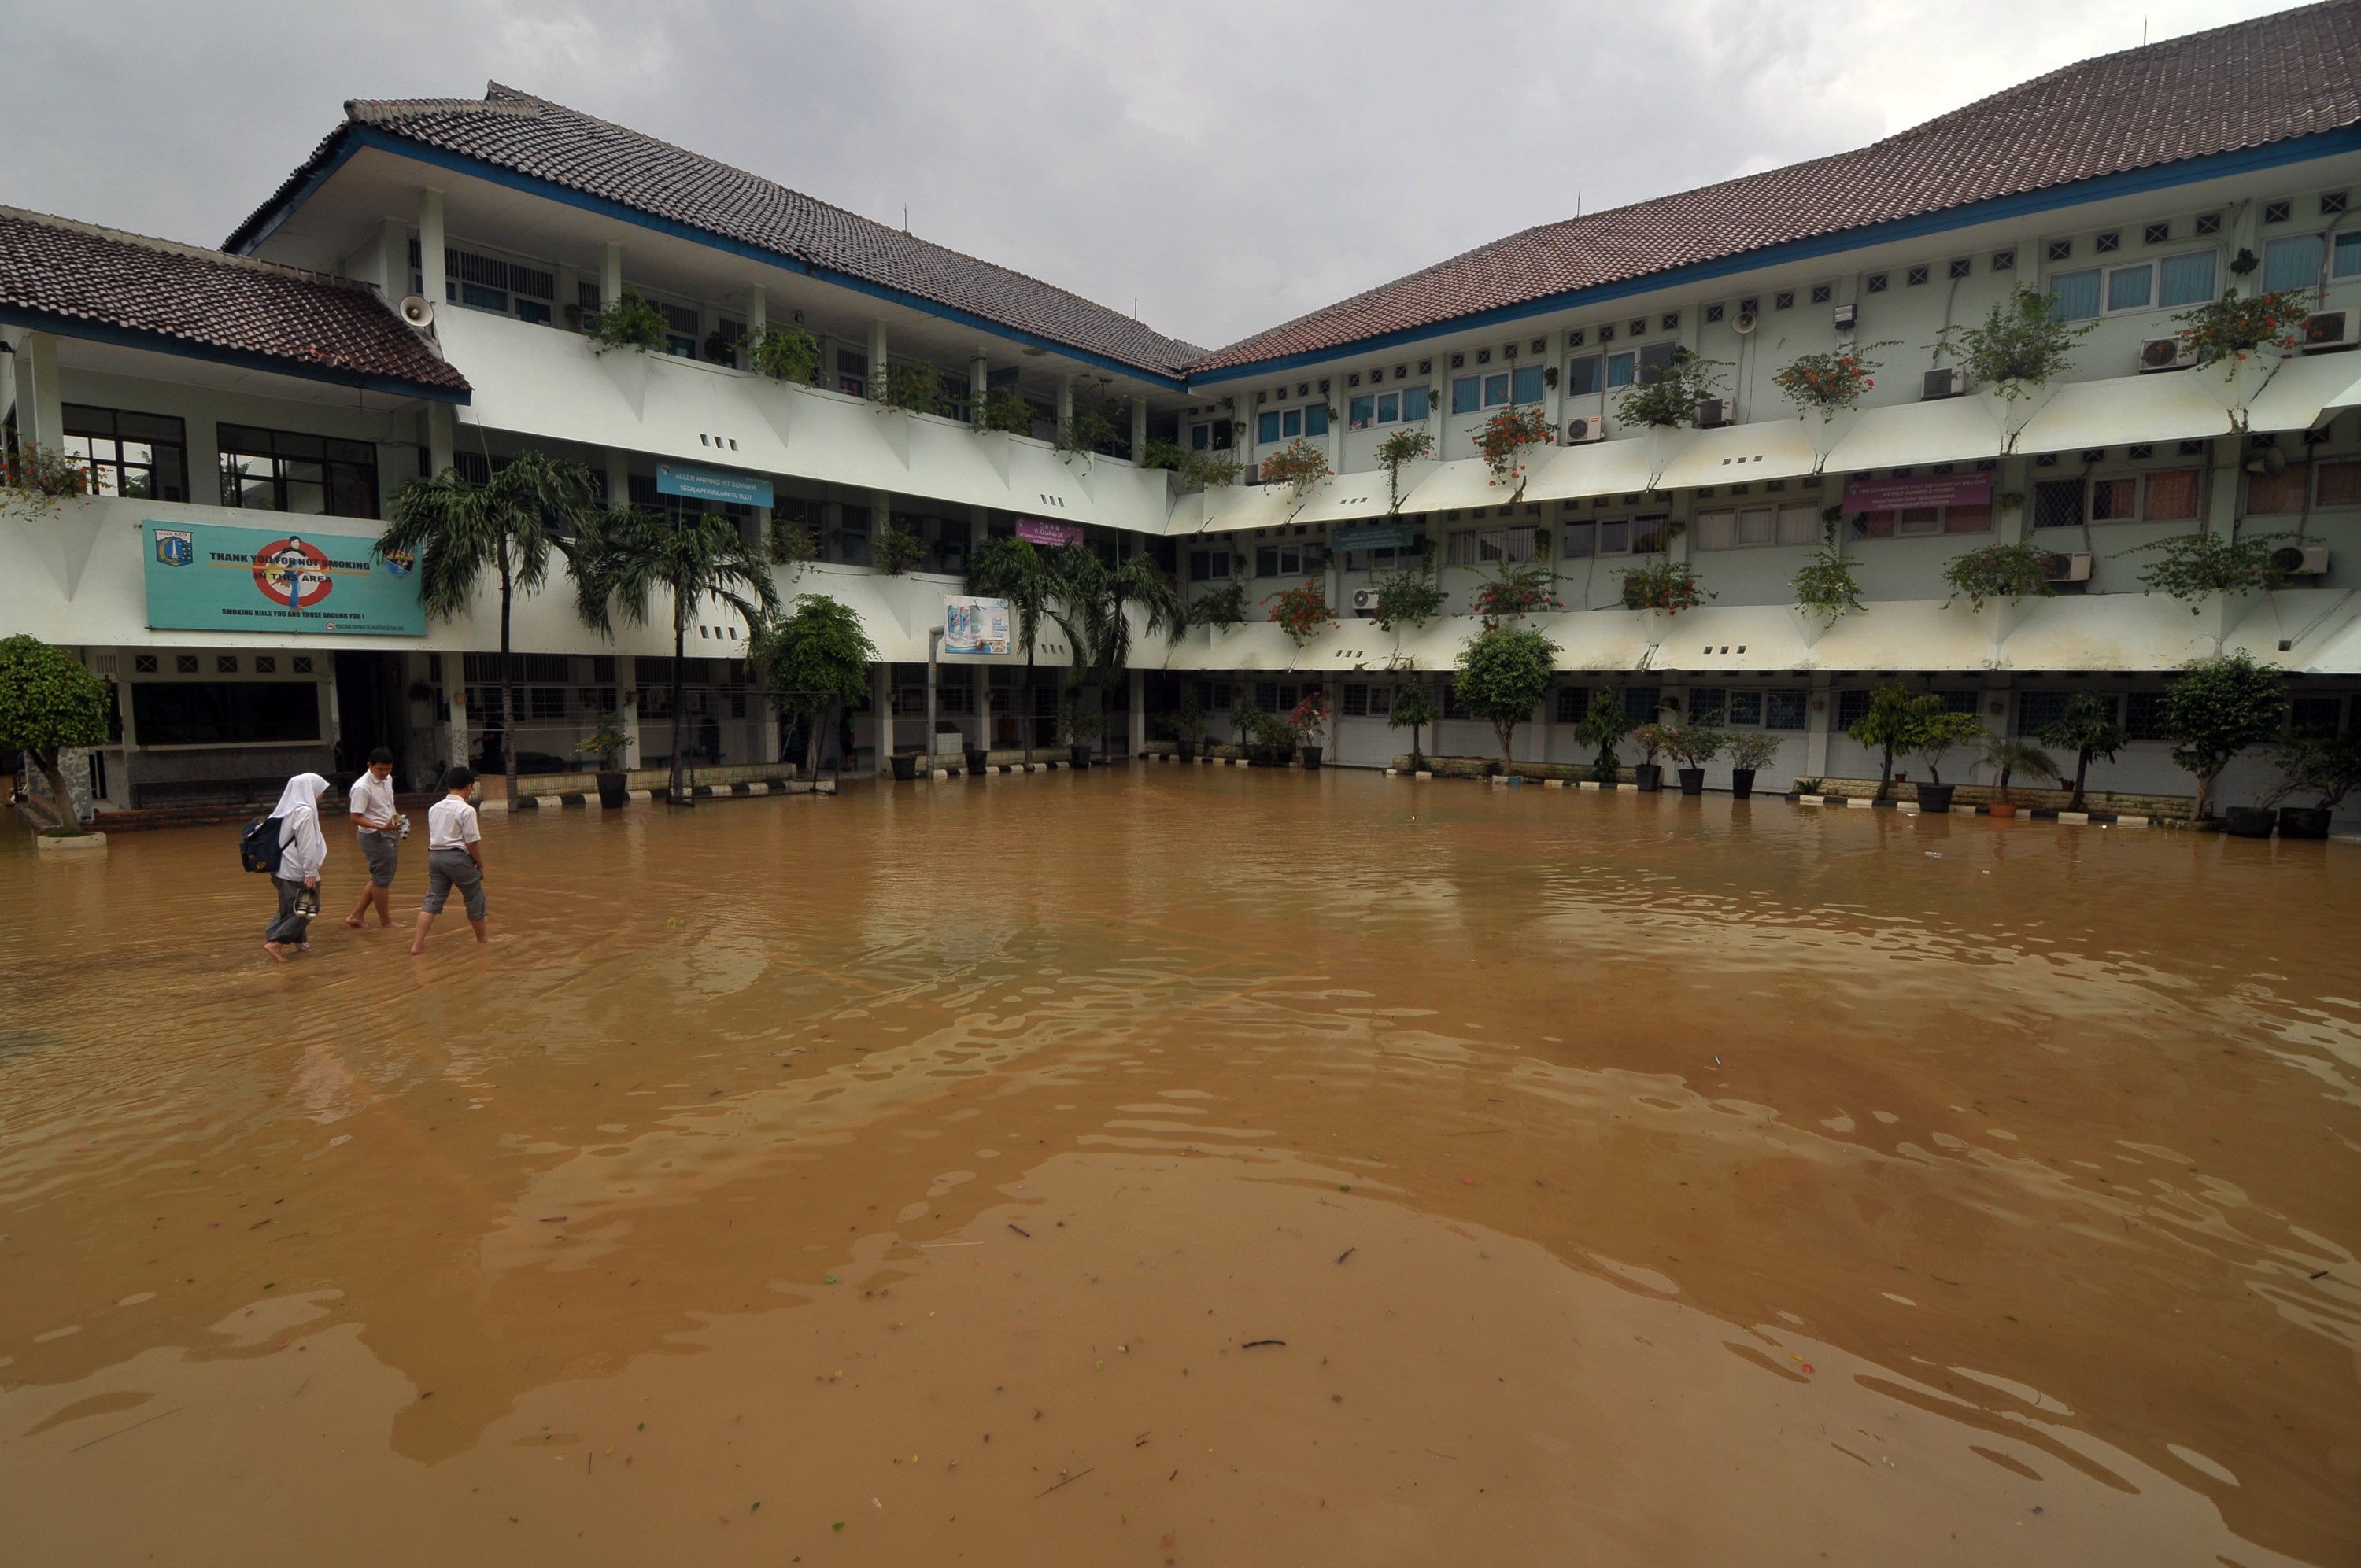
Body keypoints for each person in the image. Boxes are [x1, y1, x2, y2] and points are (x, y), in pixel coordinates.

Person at [411, 766, 488, 954]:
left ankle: (418, 945)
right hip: (458, 858)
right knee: (474, 897)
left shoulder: (434, 808)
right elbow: (472, 844)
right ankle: (483, 939)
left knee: (433, 901)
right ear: (470, 786)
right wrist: (480, 864)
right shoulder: (466, 810)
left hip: (436, 858)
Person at [263, 771, 329, 962]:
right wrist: (309, 872)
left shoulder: (285, 809)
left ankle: (302, 945)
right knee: (309, 907)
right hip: (296, 870)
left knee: (291, 908)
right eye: (320, 792)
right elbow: (306, 844)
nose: (321, 796)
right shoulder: (304, 812)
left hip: (281, 869)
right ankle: (275, 943)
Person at [344, 747, 403, 928]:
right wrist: (381, 827)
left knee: (381, 877)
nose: (385, 774)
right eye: (381, 770)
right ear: (370, 766)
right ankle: (386, 922)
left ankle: (357, 916)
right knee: (382, 879)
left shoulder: (388, 780)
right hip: (375, 835)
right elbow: (355, 818)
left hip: (389, 830)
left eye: (388, 769)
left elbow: (387, 805)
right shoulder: (362, 787)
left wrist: (396, 824)